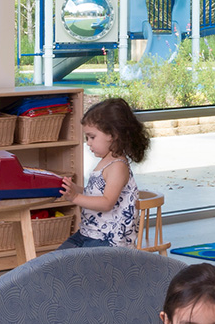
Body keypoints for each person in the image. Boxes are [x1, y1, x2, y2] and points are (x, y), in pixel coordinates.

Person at [58, 97, 150, 248]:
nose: (88, 143)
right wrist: (77, 190)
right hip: (89, 233)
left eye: (92, 137)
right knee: (56, 261)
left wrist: (75, 197)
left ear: (112, 135)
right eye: (86, 137)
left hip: (108, 240)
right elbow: (96, 195)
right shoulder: (105, 161)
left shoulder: (118, 166)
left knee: (72, 266)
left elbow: (107, 202)